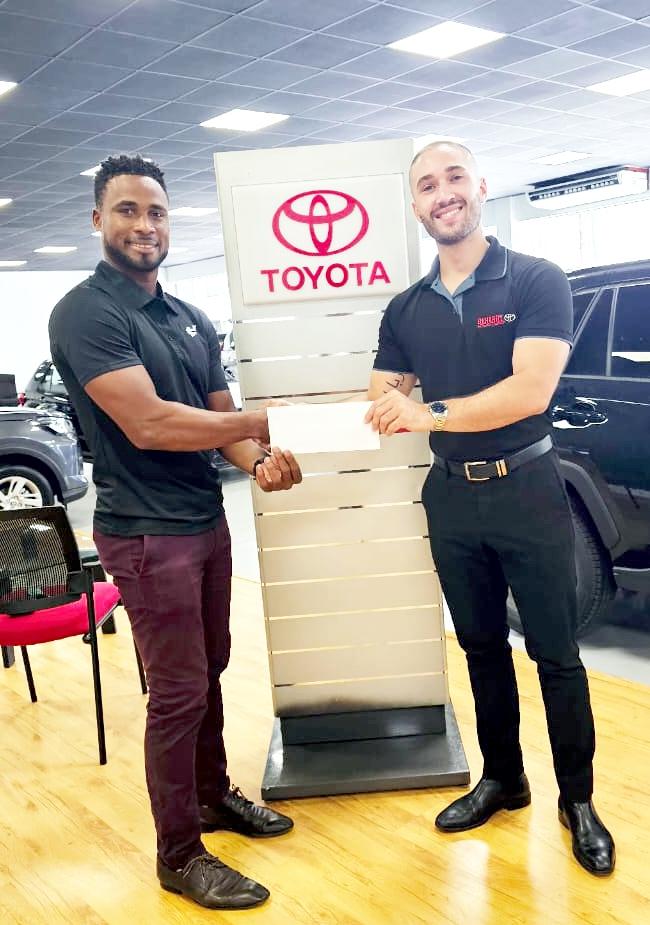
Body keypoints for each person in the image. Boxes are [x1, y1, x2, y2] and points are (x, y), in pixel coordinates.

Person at [49, 154, 303, 911]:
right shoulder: (88, 312)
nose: (144, 225)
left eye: (155, 212)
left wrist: (259, 461)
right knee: (178, 691)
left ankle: (211, 796)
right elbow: (151, 424)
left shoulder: (188, 316)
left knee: (210, 668)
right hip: (146, 533)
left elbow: (219, 418)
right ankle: (179, 853)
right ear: (98, 219)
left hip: (204, 520)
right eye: (127, 210)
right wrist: (264, 421)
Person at [365, 141, 615, 877]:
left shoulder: (536, 278)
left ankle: (578, 801)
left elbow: (530, 391)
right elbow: (383, 393)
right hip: (450, 495)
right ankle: (505, 778)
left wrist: (426, 411)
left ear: (480, 187)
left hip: (527, 488)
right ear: (415, 205)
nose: (442, 193)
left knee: (555, 653)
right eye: (426, 185)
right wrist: (391, 406)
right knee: (479, 646)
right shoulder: (405, 307)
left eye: (454, 178)